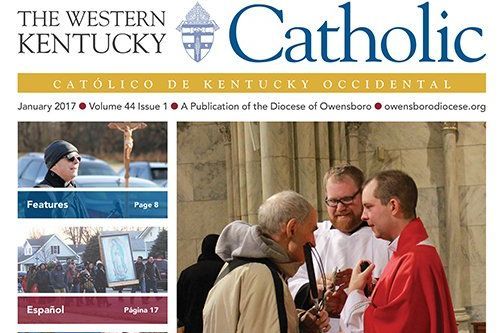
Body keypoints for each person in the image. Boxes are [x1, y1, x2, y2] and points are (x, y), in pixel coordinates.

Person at [340, 170, 457, 333]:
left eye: (368, 207)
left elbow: (393, 328)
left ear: (393, 206)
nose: (363, 216)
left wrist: (354, 293)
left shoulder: (414, 260)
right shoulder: (406, 253)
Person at [203, 190, 330, 333]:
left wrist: (298, 324)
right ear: (292, 229)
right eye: (311, 231)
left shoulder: (237, 265)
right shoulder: (261, 275)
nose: (313, 242)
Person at [288, 165, 390, 333]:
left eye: (347, 199)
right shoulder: (313, 236)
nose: (340, 207)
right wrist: (317, 289)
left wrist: (357, 294)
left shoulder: (383, 237)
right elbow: (291, 282)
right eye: (333, 201)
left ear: (363, 194)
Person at [177, 234, 224, 333]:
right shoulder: (226, 271)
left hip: (193, 327)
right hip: (219, 326)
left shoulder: (187, 273)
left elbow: (179, 305)